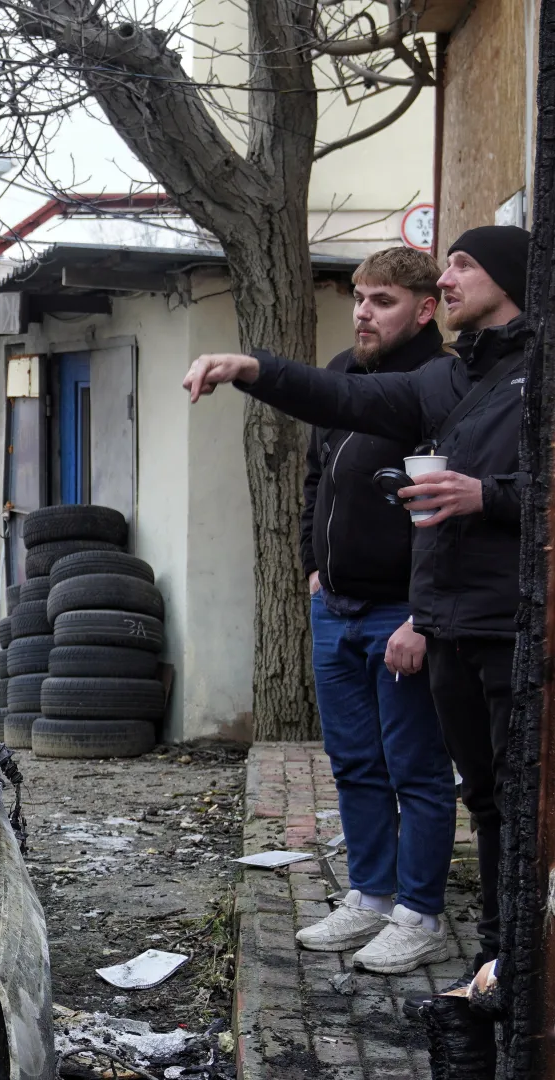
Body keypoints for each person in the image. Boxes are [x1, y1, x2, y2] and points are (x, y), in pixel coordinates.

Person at [181, 224, 532, 983]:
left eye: (462, 265)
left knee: (466, 786)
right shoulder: (449, 381)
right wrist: (252, 368)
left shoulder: (526, 375)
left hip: (475, 622)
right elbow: (339, 401)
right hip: (422, 613)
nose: (447, 278)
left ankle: (440, 925)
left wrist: (487, 497)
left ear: (509, 278)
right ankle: (418, 920)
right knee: (438, 783)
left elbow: (526, 490)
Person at [290, 247, 457, 974]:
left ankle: (420, 915)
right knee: (355, 763)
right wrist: (313, 566)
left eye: (382, 300)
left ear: (425, 309)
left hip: (401, 613)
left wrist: (422, 615)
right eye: (359, 297)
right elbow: (315, 479)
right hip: (337, 607)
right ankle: (371, 897)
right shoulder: (341, 374)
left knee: (415, 769)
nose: (363, 312)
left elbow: (449, 517)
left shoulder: (444, 385)